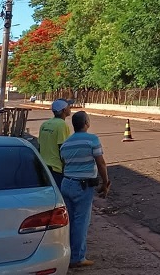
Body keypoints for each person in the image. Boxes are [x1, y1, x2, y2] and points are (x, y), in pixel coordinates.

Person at [60, 111, 111, 269]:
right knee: (81, 222)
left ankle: (66, 255)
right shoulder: (92, 140)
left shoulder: (66, 143)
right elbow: (101, 163)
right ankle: (77, 258)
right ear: (86, 123)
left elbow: (64, 164)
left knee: (69, 221)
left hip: (66, 183)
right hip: (82, 186)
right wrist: (105, 182)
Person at [38, 99, 71, 187]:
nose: (70, 108)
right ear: (64, 110)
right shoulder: (62, 125)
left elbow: (40, 145)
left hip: (44, 166)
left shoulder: (45, 124)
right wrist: (66, 167)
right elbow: (62, 148)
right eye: (69, 106)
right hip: (56, 168)